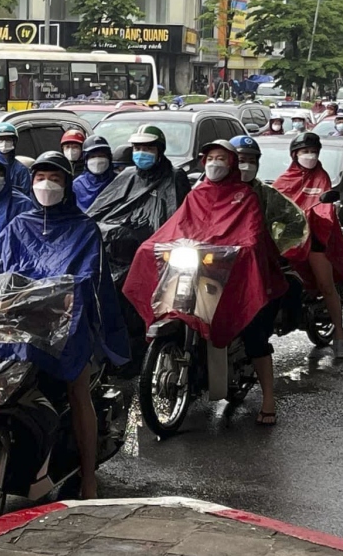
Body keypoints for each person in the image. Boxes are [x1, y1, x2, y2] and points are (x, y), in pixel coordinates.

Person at [0, 152, 128, 499]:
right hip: (13, 322)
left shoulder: (85, 230)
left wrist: (63, 298)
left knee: (76, 389)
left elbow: (87, 281)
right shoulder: (18, 225)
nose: (46, 185)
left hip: (65, 325)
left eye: (54, 179)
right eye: (40, 178)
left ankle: (87, 476)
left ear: (67, 185)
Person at [124, 140, 289, 426]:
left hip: (239, 275)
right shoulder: (196, 195)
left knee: (254, 338)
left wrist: (242, 251)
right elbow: (176, 228)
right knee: (172, 305)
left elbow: (251, 236)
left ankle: (268, 398)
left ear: (231, 163)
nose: (215, 163)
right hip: (199, 271)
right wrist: (150, 248)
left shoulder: (245, 197)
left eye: (221, 158)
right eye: (210, 157)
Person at [87, 125, 191, 350]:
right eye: (137, 148)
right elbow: (99, 211)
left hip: (151, 255)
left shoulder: (174, 178)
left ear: (159, 150)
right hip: (116, 252)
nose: (141, 152)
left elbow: (175, 220)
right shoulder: (126, 176)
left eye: (147, 148)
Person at [273, 132, 343, 359]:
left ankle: (340, 334)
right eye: (304, 152)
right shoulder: (284, 179)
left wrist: (310, 221)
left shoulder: (321, 178)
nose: (309, 156)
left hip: (316, 237)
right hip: (287, 238)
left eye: (313, 152)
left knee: (326, 285)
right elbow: (272, 203)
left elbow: (323, 210)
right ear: (294, 154)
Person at [73, 135, 117, 211]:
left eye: (101, 156)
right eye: (93, 157)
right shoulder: (77, 185)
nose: (97, 160)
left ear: (109, 158)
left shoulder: (119, 181)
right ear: (86, 160)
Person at [0, 122, 32, 195]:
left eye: (8, 139)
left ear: (14, 142)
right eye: (0, 140)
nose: (4, 143)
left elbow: (26, 196)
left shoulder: (21, 171)